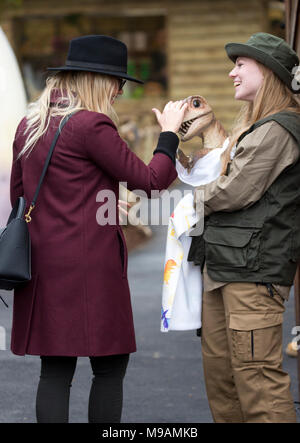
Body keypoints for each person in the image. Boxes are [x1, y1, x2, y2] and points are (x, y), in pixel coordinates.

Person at [10, 34, 187, 423]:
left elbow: (21, 198)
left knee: (55, 371)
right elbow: (150, 180)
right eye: (119, 83)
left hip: (42, 268)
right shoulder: (92, 125)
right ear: (103, 81)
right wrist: (170, 135)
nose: (120, 92)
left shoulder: (30, 125)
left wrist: (98, 199)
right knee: (108, 367)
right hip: (91, 269)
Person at [185, 32, 300, 423]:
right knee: (222, 380)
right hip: (224, 268)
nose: (232, 72)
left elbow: (233, 191)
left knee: (257, 382)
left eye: (241, 64)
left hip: (254, 273)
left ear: (267, 72)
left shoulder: (280, 128)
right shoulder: (258, 126)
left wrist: (187, 199)